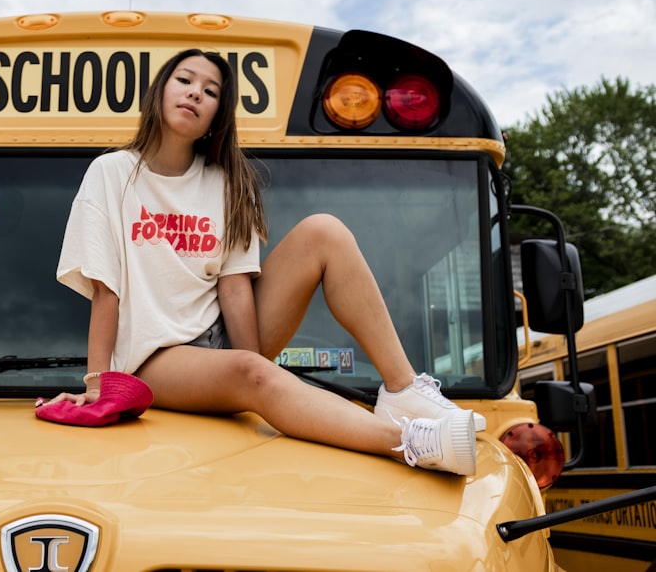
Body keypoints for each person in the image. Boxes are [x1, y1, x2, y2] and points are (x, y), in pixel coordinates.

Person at [52, 48, 478, 475]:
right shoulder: (111, 172)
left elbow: (234, 287)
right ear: (160, 91)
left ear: (219, 114)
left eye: (211, 90)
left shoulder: (227, 182)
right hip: (155, 358)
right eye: (184, 80)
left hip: (221, 339)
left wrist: (248, 372)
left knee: (323, 231)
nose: (195, 93)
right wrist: (96, 383)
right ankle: (409, 441)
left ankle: (404, 390)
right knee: (250, 372)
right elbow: (105, 288)